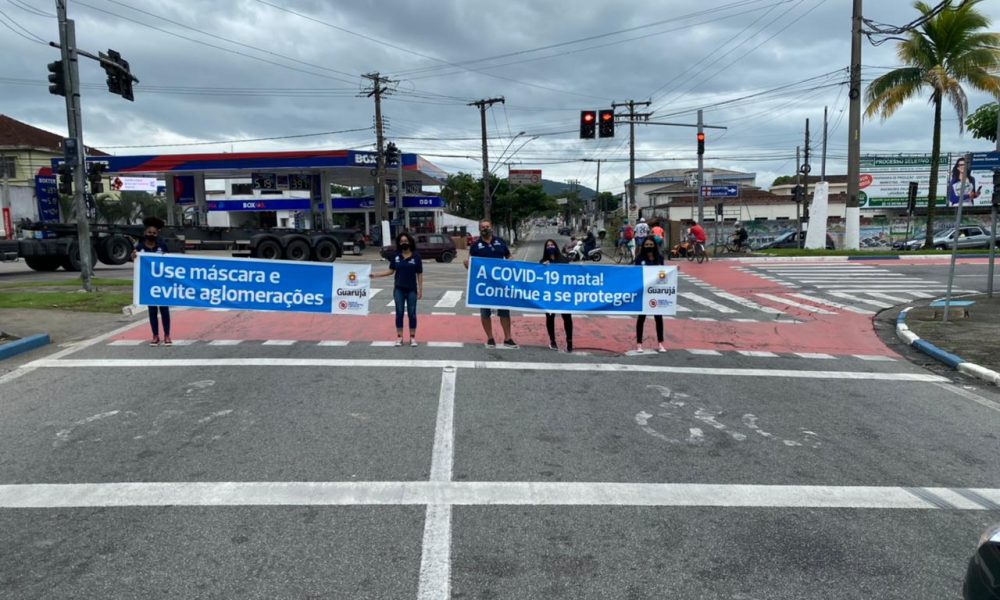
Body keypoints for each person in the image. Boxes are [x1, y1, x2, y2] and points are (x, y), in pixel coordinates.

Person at [464, 220, 518, 348]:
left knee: (504, 312)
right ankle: (490, 338)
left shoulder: (500, 242)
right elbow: (471, 263)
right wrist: (467, 264)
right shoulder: (475, 245)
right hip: (484, 286)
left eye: (487, 226)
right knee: (485, 312)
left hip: (500, 285)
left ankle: (508, 338)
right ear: (479, 229)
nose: (485, 229)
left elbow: (509, 256)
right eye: (483, 227)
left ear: (491, 227)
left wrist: (509, 263)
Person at [371, 232, 423, 347]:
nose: (404, 243)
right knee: (399, 313)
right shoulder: (396, 256)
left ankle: (412, 338)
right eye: (401, 241)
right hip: (399, 289)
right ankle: (399, 337)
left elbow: (419, 274)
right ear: (399, 243)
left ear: (409, 242)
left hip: (411, 290)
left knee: (412, 313)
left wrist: (420, 290)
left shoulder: (416, 257)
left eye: (405, 241)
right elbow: (390, 271)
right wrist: (376, 275)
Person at [131, 217, 171, 346]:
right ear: (145, 233)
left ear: (157, 234)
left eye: (154, 233)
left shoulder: (162, 246)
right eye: (149, 232)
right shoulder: (140, 247)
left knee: (164, 310)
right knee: (152, 311)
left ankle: (167, 335)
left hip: (162, 283)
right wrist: (133, 257)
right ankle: (155, 335)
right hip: (148, 284)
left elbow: (171, 262)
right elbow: (136, 261)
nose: (151, 235)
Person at [540, 239, 573, 352]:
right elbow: (539, 278)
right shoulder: (543, 261)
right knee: (550, 317)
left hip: (563, 294)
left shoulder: (564, 260)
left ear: (556, 246)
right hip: (549, 295)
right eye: (548, 245)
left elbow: (570, 275)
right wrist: (544, 267)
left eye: (552, 244)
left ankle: (569, 342)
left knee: (567, 318)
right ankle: (552, 341)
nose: (550, 247)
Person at [634, 238, 666, 353]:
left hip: (656, 291)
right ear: (643, 246)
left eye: (651, 244)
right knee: (641, 318)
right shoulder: (639, 258)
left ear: (654, 245)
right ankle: (639, 343)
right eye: (646, 244)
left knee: (658, 317)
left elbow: (664, 273)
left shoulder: (660, 258)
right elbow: (635, 273)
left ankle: (661, 343)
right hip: (643, 292)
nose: (649, 246)